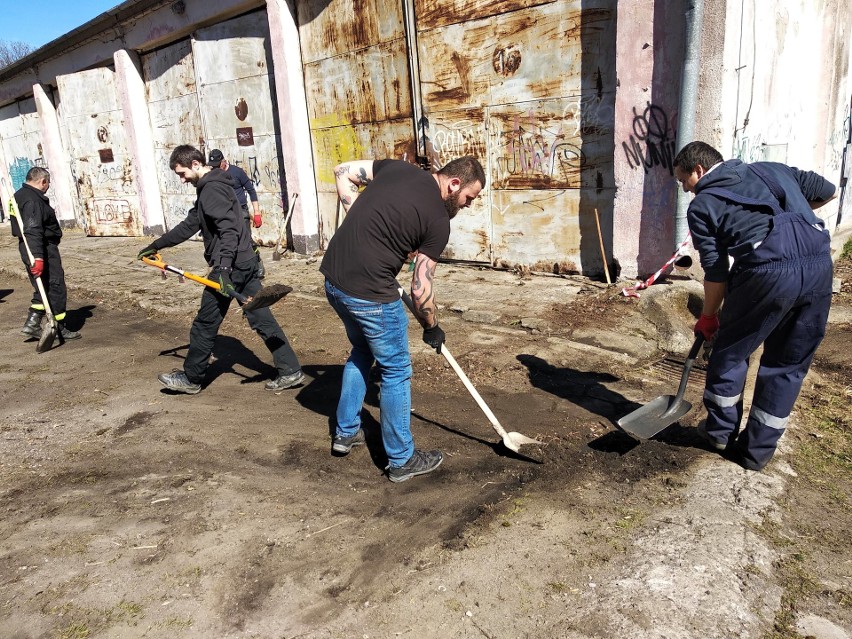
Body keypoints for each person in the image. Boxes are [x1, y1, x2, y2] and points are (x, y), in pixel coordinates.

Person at [673, 141, 837, 471]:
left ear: (698, 171)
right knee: (788, 364)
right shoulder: (772, 169)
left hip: (766, 274)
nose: (685, 190)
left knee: (731, 352)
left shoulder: (703, 205)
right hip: (820, 267)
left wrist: (707, 317)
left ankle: (719, 434)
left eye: (683, 181)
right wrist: (797, 222)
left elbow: (717, 272)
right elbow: (829, 191)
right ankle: (756, 453)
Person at [321, 156, 485, 482]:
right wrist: (432, 326)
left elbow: (343, 172)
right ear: (455, 184)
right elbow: (420, 288)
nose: (468, 205)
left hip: (334, 281)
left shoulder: (396, 169)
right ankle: (402, 459)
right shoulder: (438, 220)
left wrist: (361, 220)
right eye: (470, 197)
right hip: (370, 295)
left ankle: (345, 432)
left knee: (362, 351)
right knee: (395, 370)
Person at [137, 144, 303, 395]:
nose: (182, 180)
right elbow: (190, 224)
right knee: (260, 316)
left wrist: (223, 269)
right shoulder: (212, 187)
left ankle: (192, 378)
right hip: (245, 261)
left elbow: (229, 232)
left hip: (232, 266)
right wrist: (156, 245)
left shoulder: (211, 189)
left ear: (195, 164)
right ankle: (290, 370)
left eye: (182, 174)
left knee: (205, 323)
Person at [12, 167, 81, 342]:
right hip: (40, 247)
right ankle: (59, 327)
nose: (48, 186)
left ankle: (32, 324)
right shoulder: (32, 200)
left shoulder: (19, 195)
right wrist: (38, 257)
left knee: (42, 286)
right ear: (43, 181)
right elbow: (33, 229)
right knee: (55, 286)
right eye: (48, 183)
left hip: (30, 246)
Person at [207, 149, 265, 279]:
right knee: (227, 241)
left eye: (217, 164)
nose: (215, 168)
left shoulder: (237, 172)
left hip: (241, 211)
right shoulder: (213, 175)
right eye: (213, 165)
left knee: (247, 240)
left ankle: (257, 265)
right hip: (224, 212)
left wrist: (256, 213)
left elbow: (251, 190)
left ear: (224, 161)